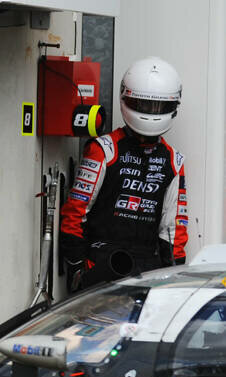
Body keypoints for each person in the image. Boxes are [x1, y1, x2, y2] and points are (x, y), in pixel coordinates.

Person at [61, 56, 188, 291]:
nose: (151, 112)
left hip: (148, 272)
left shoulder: (174, 160)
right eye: (144, 104)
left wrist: (174, 279)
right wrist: (77, 267)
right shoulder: (104, 150)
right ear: (126, 98)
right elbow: (75, 213)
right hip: (100, 265)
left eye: (158, 106)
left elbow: (173, 231)